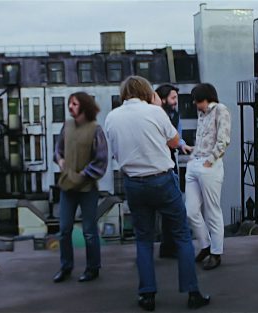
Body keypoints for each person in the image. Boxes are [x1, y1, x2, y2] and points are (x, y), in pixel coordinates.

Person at [105, 76, 210, 311]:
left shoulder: (112, 117)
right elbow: (174, 142)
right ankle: (192, 293)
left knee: (143, 239)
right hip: (161, 180)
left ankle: (147, 295)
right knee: (182, 236)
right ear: (146, 92)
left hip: (133, 182)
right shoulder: (155, 112)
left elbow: (114, 152)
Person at [53, 92, 108, 283]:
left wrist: (83, 175)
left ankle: (93, 268)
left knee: (89, 231)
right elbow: (58, 149)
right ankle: (65, 267)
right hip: (67, 187)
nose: (70, 107)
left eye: (74, 104)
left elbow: (101, 160)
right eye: (69, 103)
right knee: (64, 229)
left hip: (87, 189)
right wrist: (60, 160)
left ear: (84, 106)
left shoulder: (95, 129)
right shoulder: (66, 126)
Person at [185, 83, 231, 271]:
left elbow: (224, 140)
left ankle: (216, 252)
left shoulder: (221, 110)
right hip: (196, 162)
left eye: (198, 100)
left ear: (207, 98)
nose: (196, 104)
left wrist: (209, 161)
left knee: (212, 211)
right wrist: (193, 158)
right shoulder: (202, 114)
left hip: (209, 165)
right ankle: (205, 246)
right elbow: (201, 138)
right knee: (191, 211)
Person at [154, 84, 193, 259]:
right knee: (170, 205)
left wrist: (182, 145)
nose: (176, 102)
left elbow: (177, 135)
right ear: (162, 100)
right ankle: (170, 245)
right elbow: (171, 138)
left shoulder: (175, 115)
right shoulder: (156, 116)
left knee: (173, 204)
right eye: (173, 98)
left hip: (170, 161)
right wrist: (178, 143)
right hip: (159, 163)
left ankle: (168, 245)